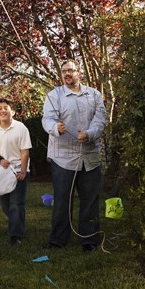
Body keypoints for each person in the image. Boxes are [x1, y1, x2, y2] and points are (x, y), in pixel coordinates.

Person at [42, 59, 107, 252]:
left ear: (79, 73)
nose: (67, 74)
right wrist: (56, 127)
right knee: (62, 200)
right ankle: (58, 240)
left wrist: (90, 133)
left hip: (90, 157)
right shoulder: (54, 95)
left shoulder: (94, 95)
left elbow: (101, 119)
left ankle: (89, 240)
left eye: (71, 70)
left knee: (90, 200)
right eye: (64, 71)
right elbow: (47, 119)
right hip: (63, 157)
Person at [0, 98, 32, 245]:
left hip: (19, 169)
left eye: (6, 107)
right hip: (2, 170)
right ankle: (16, 223)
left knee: (16, 203)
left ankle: (15, 235)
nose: (3, 110)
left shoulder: (21, 128)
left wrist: (23, 171)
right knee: (5, 204)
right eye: (0, 108)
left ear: (12, 111)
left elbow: (25, 151)